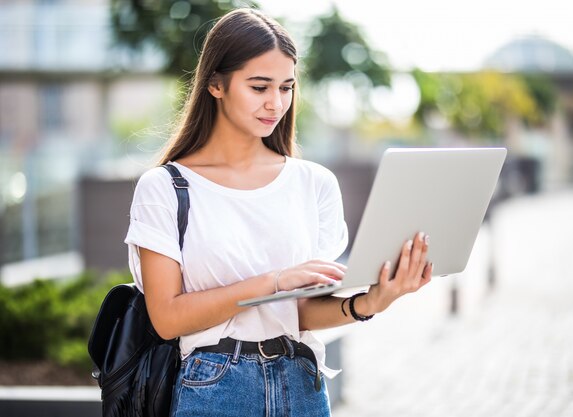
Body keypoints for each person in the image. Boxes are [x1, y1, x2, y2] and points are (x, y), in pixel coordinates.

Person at [124, 8, 433, 417]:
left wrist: (370, 302)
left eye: (286, 87)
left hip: (301, 384)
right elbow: (166, 318)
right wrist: (273, 282)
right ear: (216, 83)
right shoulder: (165, 187)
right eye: (259, 87)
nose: (276, 103)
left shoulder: (314, 183)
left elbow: (300, 312)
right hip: (214, 388)